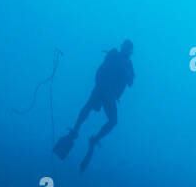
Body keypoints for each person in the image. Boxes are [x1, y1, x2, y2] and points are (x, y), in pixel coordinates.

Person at [54, 40, 135, 171]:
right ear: (123, 48)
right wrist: (124, 70)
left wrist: (127, 71)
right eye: (126, 48)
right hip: (102, 90)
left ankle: (93, 138)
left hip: (109, 94)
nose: (127, 51)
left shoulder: (128, 64)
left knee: (111, 120)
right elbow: (105, 68)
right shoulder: (114, 55)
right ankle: (76, 131)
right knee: (89, 108)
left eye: (129, 49)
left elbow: (130, 82)